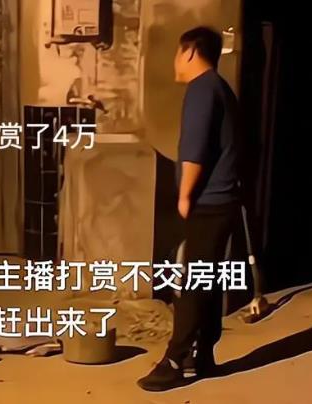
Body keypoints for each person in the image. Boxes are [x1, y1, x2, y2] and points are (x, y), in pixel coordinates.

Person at [138, 26, 242, 391]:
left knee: (194, 284)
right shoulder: (220, 88)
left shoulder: (201, 89)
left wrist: (184, 195)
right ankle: (203, 355)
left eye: (177, 53)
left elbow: (195, 150)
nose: (175, 62)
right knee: (208, 280)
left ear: (191, 52)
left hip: (208, 202)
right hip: (223, 201)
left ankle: (174, 359)